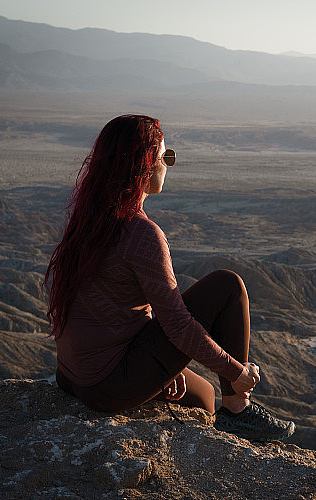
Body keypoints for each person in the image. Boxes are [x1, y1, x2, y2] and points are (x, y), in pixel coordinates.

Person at [44, 114, 294, 441]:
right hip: (107, 383)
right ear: (144, 163)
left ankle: (222, 406)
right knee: (227, 286)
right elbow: (177, 325)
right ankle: (238, 408)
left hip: (73, 375)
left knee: (203, 398)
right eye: (166, 156)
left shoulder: (91, 219)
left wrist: (158, 368)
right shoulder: (141, 234)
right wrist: (237, 372)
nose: (169, 164)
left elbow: (105, 303)